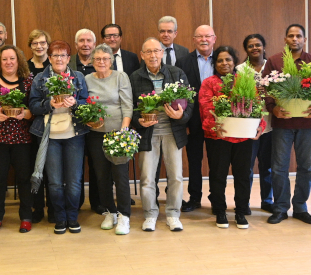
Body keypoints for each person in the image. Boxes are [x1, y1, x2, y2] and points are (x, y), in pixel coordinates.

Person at [262, 24, 311, 225]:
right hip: (283, 123)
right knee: (279, 167)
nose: (295, 39)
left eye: (299, 36)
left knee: (306, 166)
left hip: (307, 123)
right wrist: (273, 108)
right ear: (285, 39)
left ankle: (300, 207)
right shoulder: (274, 61)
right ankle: (280, 208)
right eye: (291, 36)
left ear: (304, 40)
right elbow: (265, 89)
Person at [130, 37, 192, 231]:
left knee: (176, 176)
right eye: (148, 52)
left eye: (156, 51)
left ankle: (173, 213)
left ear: (162, 53)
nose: (153, 55)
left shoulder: (176, 73)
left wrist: (182, 115)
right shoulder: (135, 77)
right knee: (147, 177)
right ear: (142, 55)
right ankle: (150, 214)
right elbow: (129, 107)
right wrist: (137, 120)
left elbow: (190, 102)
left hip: (173, 132)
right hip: (148, 133)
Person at [199, 46, 264, 230]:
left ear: (235, 62)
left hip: (243, 138)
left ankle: (241, 211)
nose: (224, 63)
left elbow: (257, 107)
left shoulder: (245, 81)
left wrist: (259, 127)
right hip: (218, 138)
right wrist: (215, 127)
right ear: (214, 63)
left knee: (243, 176)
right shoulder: (209, 83)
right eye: (220, 60)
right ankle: (220, 211)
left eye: (228, 59)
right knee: (218, 175)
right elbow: (206, 109)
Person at [29, 40, 90, 234]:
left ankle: (73, 218)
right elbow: (33, 106)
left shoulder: (78, 77)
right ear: (49, 57)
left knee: (74, 180)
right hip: (49, 136)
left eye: (63, 55)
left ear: (68, 58)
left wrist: (75, 104)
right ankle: (60, 218)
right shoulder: (39, 78)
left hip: (74, 134)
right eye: (55, 55)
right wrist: (49, 104)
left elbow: (86, 103)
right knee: (54, 181)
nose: (59, 59)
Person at [0, 45, 34, 233]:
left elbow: (35, 107)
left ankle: (26, 216)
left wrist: (25, 114)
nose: (9, 62)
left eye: (12, 59)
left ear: (18, 61)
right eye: (4, 59)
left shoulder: (28, 81)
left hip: (23, 140)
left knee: (24, 179)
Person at [84, 44, 134, 235]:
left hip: (118, 134)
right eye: (97, 59)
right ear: (92, 61)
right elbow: (84, 105)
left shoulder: (121, 77)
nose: (101, 62)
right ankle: (109, 212)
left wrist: (123, 132)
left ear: (111, 61)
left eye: (105, 59)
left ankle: (124, 216)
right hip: (95, 135)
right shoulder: (88, 79)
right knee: (101, 176)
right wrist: (89, 121)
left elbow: (127, 106)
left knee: (120, 176)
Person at [178, 25, 217, 212]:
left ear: (214, 39)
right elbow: (179, 94)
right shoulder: (183, 62)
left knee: (217, 161)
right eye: (200, 36)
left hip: (218, 121)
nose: (204, 40)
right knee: (194, 161)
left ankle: (217, 198)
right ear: (194, 39)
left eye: (208, 36)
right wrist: (183, 120)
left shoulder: (223, 60)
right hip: (193, 121)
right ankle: (194, 198)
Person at [236, 34, 274, 213]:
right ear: (246, 49)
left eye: (258, 45)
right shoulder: (240, 69)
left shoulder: (272, 67)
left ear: (264, 46)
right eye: (250, 46)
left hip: (271, 124)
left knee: (267, 166)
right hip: (249, 126)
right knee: (247, 167)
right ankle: (245, 203)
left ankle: (267, 201)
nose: (254, 48)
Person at [26, 29, 55, 223]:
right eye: (35, 43)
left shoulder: (54, 65)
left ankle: (53, 208)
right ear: (30, 46)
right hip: (30, 124)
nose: (39, 46)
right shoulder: (24, 66)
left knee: (51, 169)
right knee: (34, 167)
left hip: (54, 125)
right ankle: (37, 208)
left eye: (43, 43)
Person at [71, 29, 101, 212]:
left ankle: (97, 202)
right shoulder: (70, 65)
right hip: (75, 123)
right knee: (77, 166)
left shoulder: (100, 64)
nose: (85, 44)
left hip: (97, 123)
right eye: (81, 40)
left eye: (89, 40)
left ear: (94, 44)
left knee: (97, 164)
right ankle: (78, 201)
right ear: (76, 45)